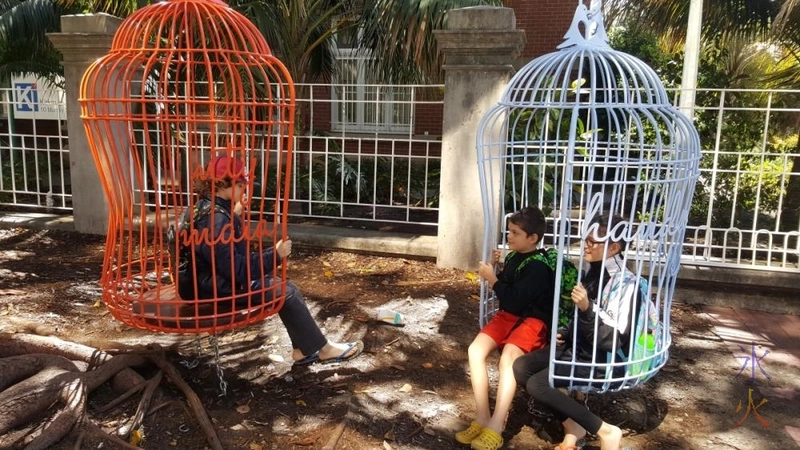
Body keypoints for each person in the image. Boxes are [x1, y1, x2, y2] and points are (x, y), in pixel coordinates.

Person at [176, 154, 363, 365]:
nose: (243, 190)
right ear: (224, 185)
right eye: (240, 185)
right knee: (285, 291)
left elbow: (217, 250)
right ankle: (324, 349)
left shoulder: (202, 208)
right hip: (210, 289)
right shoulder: (218, 219)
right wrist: (275, 255)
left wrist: (234, 213)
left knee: (282, 287)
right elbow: (236, 270)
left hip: (196, 283)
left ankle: (303, 349)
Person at [512, 213, 636, 450]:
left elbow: (612, 341)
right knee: (521, 366)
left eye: (593, 241)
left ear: (614, 248)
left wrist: (587, 308)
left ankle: (607, 431)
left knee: (538, 384)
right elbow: (582, 317)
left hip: (604, 360)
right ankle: (574, 425)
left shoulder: (624, 283)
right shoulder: (594, 270)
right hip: (579, 349)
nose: (586, 246)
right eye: (586, 239)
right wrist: (565, 332)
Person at [456, 206, 555, 450]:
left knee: (508, 359)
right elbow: (510, 291)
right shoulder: (514, 256)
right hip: (510, 316)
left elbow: (512, 298)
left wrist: (492, 278)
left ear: (532, 238)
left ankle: (497, 425)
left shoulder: (538, 267)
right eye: (508, 231)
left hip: (532, 320)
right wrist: (500, 269)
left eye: (515, 233)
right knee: (475, 350)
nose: (509, 236)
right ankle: (482, 416)